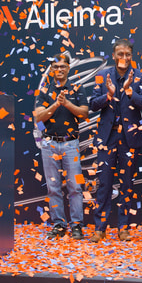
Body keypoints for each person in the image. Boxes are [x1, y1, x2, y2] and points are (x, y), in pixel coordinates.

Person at [88, 38, 142, 242]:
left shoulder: (139, 76)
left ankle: (123, 228)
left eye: (127, 54)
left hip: (130, 138)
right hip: (107, 138)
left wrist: (131, 92)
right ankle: (100, 228)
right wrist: (108, 95)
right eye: (120, 54)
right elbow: (92, 104)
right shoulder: (103, 75)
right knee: (104, 184)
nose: (124, 57)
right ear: (114, 55)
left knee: (126, 184)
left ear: (131, 56)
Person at [33, 53, 89, 240]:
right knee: (53, 187)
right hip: (49, 144)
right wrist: (56, 104)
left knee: (75, 187)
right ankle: (58, 225)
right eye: (56, 67)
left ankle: (77, 225)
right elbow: (39, 117)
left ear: (68, 68)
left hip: (71, 144)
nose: (59, 70)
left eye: (62, 66)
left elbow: (84, 114)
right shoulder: (44, 90)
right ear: (51, 69)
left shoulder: (77, 88)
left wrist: (67, 103)